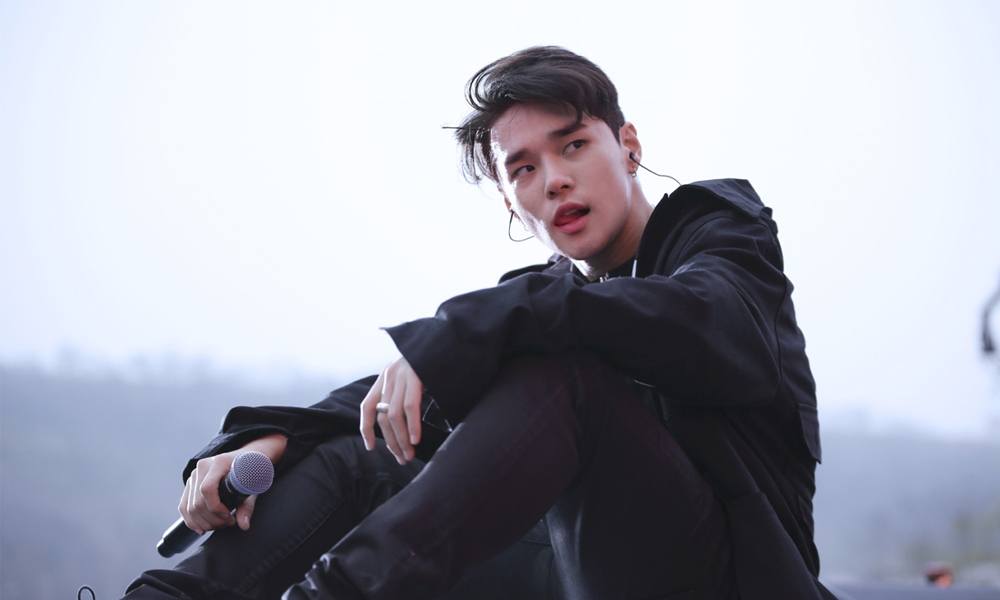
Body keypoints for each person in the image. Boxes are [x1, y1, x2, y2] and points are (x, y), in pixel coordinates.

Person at [123, 46, 833, 599]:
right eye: (523, 169)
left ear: (629, 146)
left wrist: (468, 329)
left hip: (730, 580)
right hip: (574, 573)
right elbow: (397, 401)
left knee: (565, 377)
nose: (553, 180)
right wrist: (274, 436)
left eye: (573, 146)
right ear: (508, 200)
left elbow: (708, 326)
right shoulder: (540, 300)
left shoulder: (720, 237)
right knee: (360, 459)